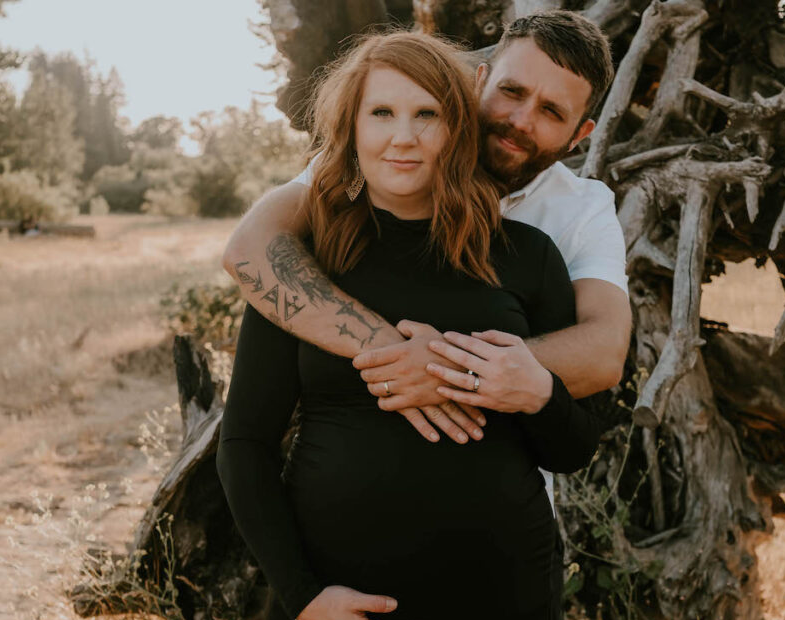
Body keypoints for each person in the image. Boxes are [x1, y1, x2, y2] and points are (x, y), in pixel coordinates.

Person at [217, 29, 602, 620]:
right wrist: (302, 594)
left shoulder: (529, 256)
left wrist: (534, 388)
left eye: (427, 114)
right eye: (382, 113)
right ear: (351, 126)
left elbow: (575, 447)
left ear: (457, 130)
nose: (404, 136)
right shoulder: (307, 261)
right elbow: (245, 442)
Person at [222, 11, 630, 519]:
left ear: (580, 134)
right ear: (480, 80)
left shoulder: (579, 211)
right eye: (512, 91)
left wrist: (439, 369)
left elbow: (605, 351)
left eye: (551, 111)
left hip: (499, 535)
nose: (521, 120)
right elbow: (251, 249)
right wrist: (393, 353)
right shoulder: (388, 157)